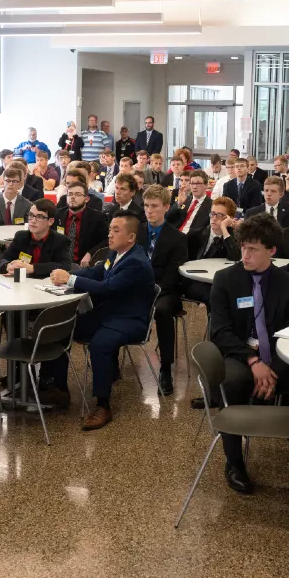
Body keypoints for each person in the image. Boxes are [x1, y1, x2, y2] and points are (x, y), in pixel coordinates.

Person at [208, 214, 289, 493]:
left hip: (279, 356)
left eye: (253, 249)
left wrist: (272, 369)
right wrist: (253, 361)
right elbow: (220, 332)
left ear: (272, 250)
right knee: (232, 382)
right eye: (243, 247)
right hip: (240, 353)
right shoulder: (225, 279)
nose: (245, 255)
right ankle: (234, 462)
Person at [47, 211, 155, 430]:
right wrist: (68, 276)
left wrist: (71, 279)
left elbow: (107, 288)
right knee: (61, 328)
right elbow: (97, 272)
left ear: (131, 237)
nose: (110, 234)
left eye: (116, 230)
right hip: (109, 314)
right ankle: (59, 388)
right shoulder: (116, 253)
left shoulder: (136, 262)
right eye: (109, 230)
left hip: (130, 319)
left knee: (100, 344)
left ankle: (103, 405)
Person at [134, 185, 187, 394]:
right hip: (136, 286)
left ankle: (165, 368)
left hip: (165, 290)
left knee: (163, 310)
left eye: (154, 206)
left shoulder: (177, 238)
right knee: (110, 299)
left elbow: (174, 274)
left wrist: (153, 291)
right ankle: (111, 363)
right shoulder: (135, 232)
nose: (149, 210)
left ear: (166, 207)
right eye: (146, 206)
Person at [183, 195, 241, 308]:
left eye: (220, 215)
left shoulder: (231, 237)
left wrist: (224, 229)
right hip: (193, 280)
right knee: (217, 296)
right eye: (213, 214)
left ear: (229, 219)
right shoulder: (196, 234)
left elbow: (235, 257)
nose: (214, 218)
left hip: (217, 281)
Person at [0, 198, 71, 278]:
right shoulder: (21, 236)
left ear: (50, 221)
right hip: (21, 283)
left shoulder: (60, 241)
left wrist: (32, 268)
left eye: (39, 217)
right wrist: (8, 266)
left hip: (46, 283)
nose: (33, 221)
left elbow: (65, 266)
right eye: (31, 215)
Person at [55, 182, 108, 267]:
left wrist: (91, 253)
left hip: (83, 265)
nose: (72, 197)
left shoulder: (98, 218)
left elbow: (106, 241)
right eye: (70, 194)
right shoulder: (57, 215)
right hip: (59, 263)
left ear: (86, 199)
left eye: (78, 194)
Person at [167, 169, 211, 234]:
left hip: (192, 237)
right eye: (192, 183)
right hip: (175, 234)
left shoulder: (211, 205)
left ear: (206, 185)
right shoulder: (185, 199)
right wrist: (178, 204)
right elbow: (168, 219)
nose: (194, 187)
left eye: (198, 183)